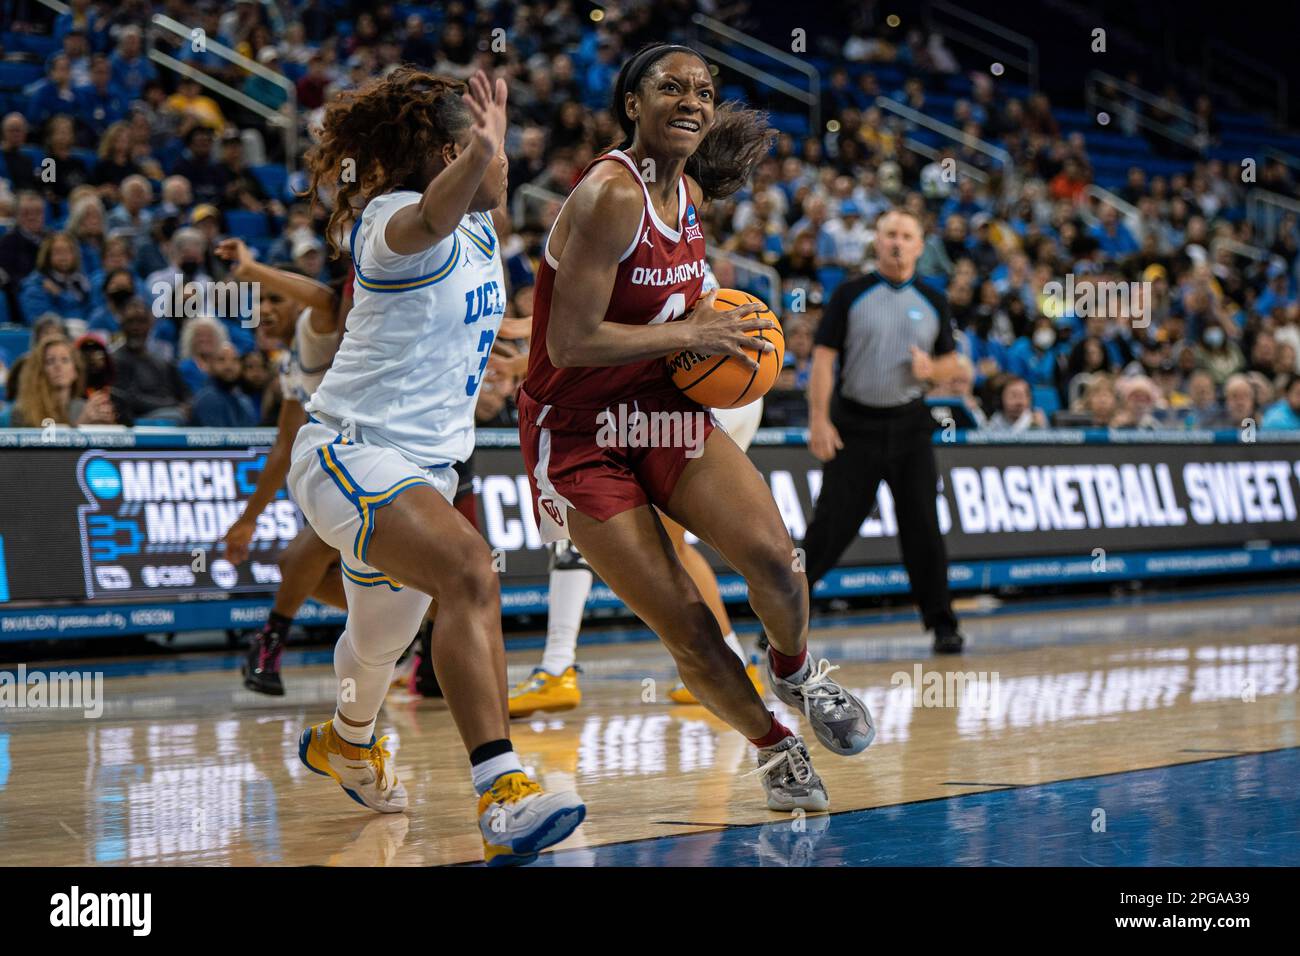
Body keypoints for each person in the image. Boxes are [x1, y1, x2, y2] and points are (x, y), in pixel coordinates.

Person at [517, 43, 874, 812]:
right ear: (632, 106)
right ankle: (774, 746)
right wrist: (692, 336)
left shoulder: (690, 197)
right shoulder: (612, 195)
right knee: (687, 623)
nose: (691, 100)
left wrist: (715, 324)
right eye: (670, 88)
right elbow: (568, 344)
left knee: (777, 561)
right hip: (577, 434)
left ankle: (794, 669)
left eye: (704, 91)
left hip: (660, 411)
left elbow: (670, 310)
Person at [289, 66, 584, 864]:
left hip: (424, 467)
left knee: (378, 642)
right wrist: (480, 151)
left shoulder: (487, 232)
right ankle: (503, 788)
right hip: (351, 452)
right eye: (492, 152)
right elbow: (429, 214)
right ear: (455, 152)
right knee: (470, 572)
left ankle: (346, 741)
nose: (506, 167)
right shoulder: (387, 222)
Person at [802, 208, 965, 654]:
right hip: (854, 425)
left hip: (910, 426)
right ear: (877, 241)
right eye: (890, 234)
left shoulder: (934, 299)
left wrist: (931, 369)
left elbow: (955, 363)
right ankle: (784, 621)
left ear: (918, 245)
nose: (897, 242)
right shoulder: (851, 293)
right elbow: (822, 359)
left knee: (924, 529)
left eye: (906, 235)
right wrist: (818, 419)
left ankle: (943, 624)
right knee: (829, 529)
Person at [216, 236, 342, 695]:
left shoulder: (315, 325)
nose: (265, 309)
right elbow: (285, 443)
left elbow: (326, 298)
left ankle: (270, 640)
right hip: (343, 470)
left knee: (298, 561)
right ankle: (418, 630)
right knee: (311, 572)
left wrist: (252, 268)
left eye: (275, 298)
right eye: (259, 301)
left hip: (376, 462)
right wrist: (248, 520)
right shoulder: (291, 360)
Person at [10, 336, 114, 427]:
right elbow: (44, 447)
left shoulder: (83, 408)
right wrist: (81, 424)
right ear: (40, 372)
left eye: (65, 360)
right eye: (50, 361)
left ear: (75, 371)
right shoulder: (23, 412)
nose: (58, 366)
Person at [188, 343, 259, 426]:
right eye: (221, 360)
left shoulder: (243, 400)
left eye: (235, 360)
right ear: (210, 365)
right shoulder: (208, 398)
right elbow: (218, 437)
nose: (229, 366)